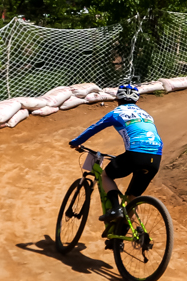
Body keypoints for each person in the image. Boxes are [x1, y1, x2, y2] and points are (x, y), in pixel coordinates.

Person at [68, 83, 163, 237]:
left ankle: (115, 208)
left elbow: (94, 127)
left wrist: (76, 142)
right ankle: (121, 234)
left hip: (135, 154)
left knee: (106, 175)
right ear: (137, 101)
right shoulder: (146, 115)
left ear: (117, 99)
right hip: (156, 158)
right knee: (133, 198)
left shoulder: (116, 112)